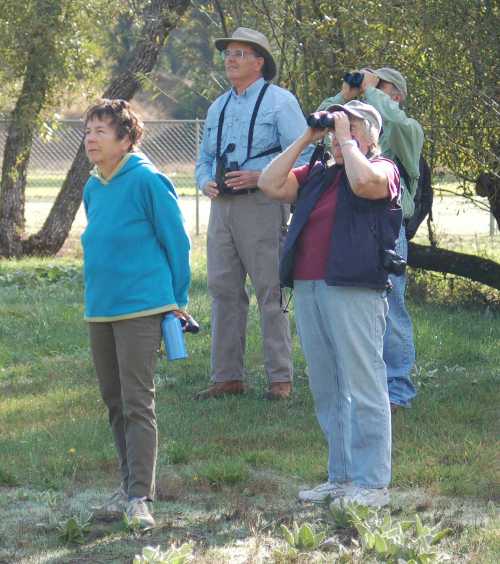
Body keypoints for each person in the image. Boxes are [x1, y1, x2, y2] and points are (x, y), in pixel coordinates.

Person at [258, 100, 402, 507]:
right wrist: (308, 136)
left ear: (373, 135)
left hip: (354, 287)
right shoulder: (318, 174)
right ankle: (341, 477)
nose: (344, 133)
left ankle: (372, 484)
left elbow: (363, 184)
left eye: (354, 125)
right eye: (340, 124)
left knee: (364, 383)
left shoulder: (383, 168)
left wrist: (346, 140)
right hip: (309, 287)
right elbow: (270, 184)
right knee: (328, 387)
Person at [81, 99, 191, 528]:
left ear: (125, 139)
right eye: (88, 130)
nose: (90, 138)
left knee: (137, 403)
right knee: (113, 402)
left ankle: (140, 498)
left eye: (100, 131)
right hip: (100, 308)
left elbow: (176, 243)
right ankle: (129, 486)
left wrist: (177, 301)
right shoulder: (93, 186)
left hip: (142, 307)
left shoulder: (148, 180)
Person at [195, 27, 312, 400]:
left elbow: (305, 157)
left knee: (270, 291)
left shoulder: (281, 102)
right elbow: (204, 160)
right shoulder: (218, 106)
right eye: (228, 53)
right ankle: (227, 376)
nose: (231, 59)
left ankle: (281, 379)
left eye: (241, 54)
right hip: (222, 208)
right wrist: (204, 182)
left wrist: (261, 177)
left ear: (260, 63)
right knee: (223, 291)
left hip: (263, 206)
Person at [318, 68, 424, 410]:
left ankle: (397, 391)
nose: (370, 93)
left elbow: (396, 123)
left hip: (387, 228)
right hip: (346, 223)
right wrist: (343, 98)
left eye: (380, 89)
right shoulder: (356, 129)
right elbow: (319, 127)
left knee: (390, 310)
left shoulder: (407, 132)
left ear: (396, 96)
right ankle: (359, 387)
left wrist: (373, 91)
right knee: (349, 308)